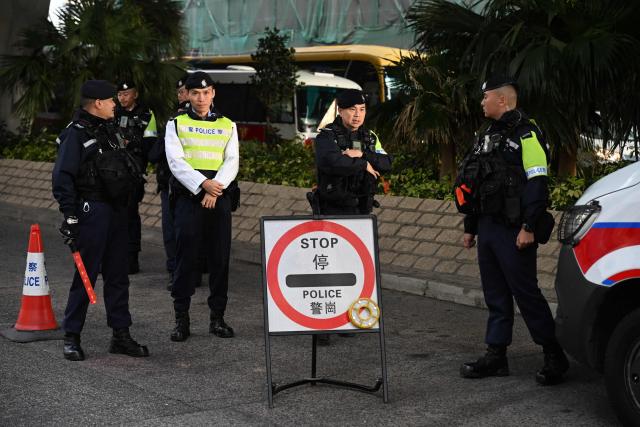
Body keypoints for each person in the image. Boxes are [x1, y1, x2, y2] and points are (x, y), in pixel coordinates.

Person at [457, 75, 569, 385]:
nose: (482, 103)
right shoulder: (486, 135)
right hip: (489, 227)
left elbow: (537, 181)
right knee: (495, 294)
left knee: (526, 294)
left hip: (514, 228)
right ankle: (496, 356)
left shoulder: (527, 134)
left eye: (486, 97)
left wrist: (529, 226)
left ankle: (553, 355)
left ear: (502, 100)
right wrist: (471, 226)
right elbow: (476, 182)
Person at [52, 79, 149, 361]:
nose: (115, 105)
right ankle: (72, 336)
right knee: (86, 276)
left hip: (117, 212)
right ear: (97, 103)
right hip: (91, 210)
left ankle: (121, 334)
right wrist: (69, 214)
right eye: (110, 101)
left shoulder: (110, 131)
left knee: (118, 276)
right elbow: (63, 177)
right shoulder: (75, 134)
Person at [312, 89, 392, 344]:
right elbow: (330, 163)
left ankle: (346, 318)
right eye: (352, 109)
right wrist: (364, 165)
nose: (357, 115)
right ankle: (324, 325)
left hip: (360, 208)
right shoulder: (327, 136)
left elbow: (387, 162)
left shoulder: (369, 137)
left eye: (362, 110)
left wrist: (363, 157)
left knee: (351, 267)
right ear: (340, 110)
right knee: (328, 267)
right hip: (333, 208)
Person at [164, 71, 239, 342]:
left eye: (206, 93)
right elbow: (176, 162)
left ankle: (217, 318)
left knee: (220, 260)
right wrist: (203, 185)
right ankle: (181, 320)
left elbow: (232, 161)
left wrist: (214, 188)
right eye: (195, 93)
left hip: (217, 196)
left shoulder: (228, 125)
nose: (201, 98)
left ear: (213, 93)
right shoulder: (177, 123)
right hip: (189, 198)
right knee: (186, 260)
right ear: (188, 94)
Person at [148, 75, 190, 291]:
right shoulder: (173, 120)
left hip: (192, 187)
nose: (181, 96)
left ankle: (185, 272)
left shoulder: (212, 122)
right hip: (170, 185)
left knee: (186, 232)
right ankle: (176, 271)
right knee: (171, 231)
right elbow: (155, 154)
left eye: (184, 91)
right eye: (180, 92)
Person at [114, 80, 157, 274]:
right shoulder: (112, 112)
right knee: (112, 216)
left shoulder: (147, 115)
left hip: (134, 174)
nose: (122, 98)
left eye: (126, 94)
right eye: (120, 95)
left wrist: (131, 144)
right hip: (112, 174)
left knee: (130, 215)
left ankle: (132, 259)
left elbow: (150, 145)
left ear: (135, 94)